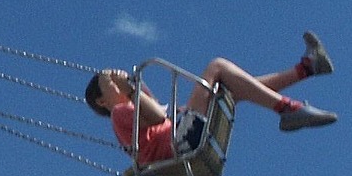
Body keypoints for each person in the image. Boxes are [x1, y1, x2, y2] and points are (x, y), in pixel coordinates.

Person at [86, 33, 338, 162]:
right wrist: (117, 85)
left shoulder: (130, 111)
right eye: (108, 84)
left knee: (232, 89)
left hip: (183, 134)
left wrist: (129, 84)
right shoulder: (119, 113)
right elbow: (158, 114)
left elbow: (151, 104)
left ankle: (307, 68)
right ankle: (289, 109)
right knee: (217, 67)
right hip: (181, 140)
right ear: (102, 100)